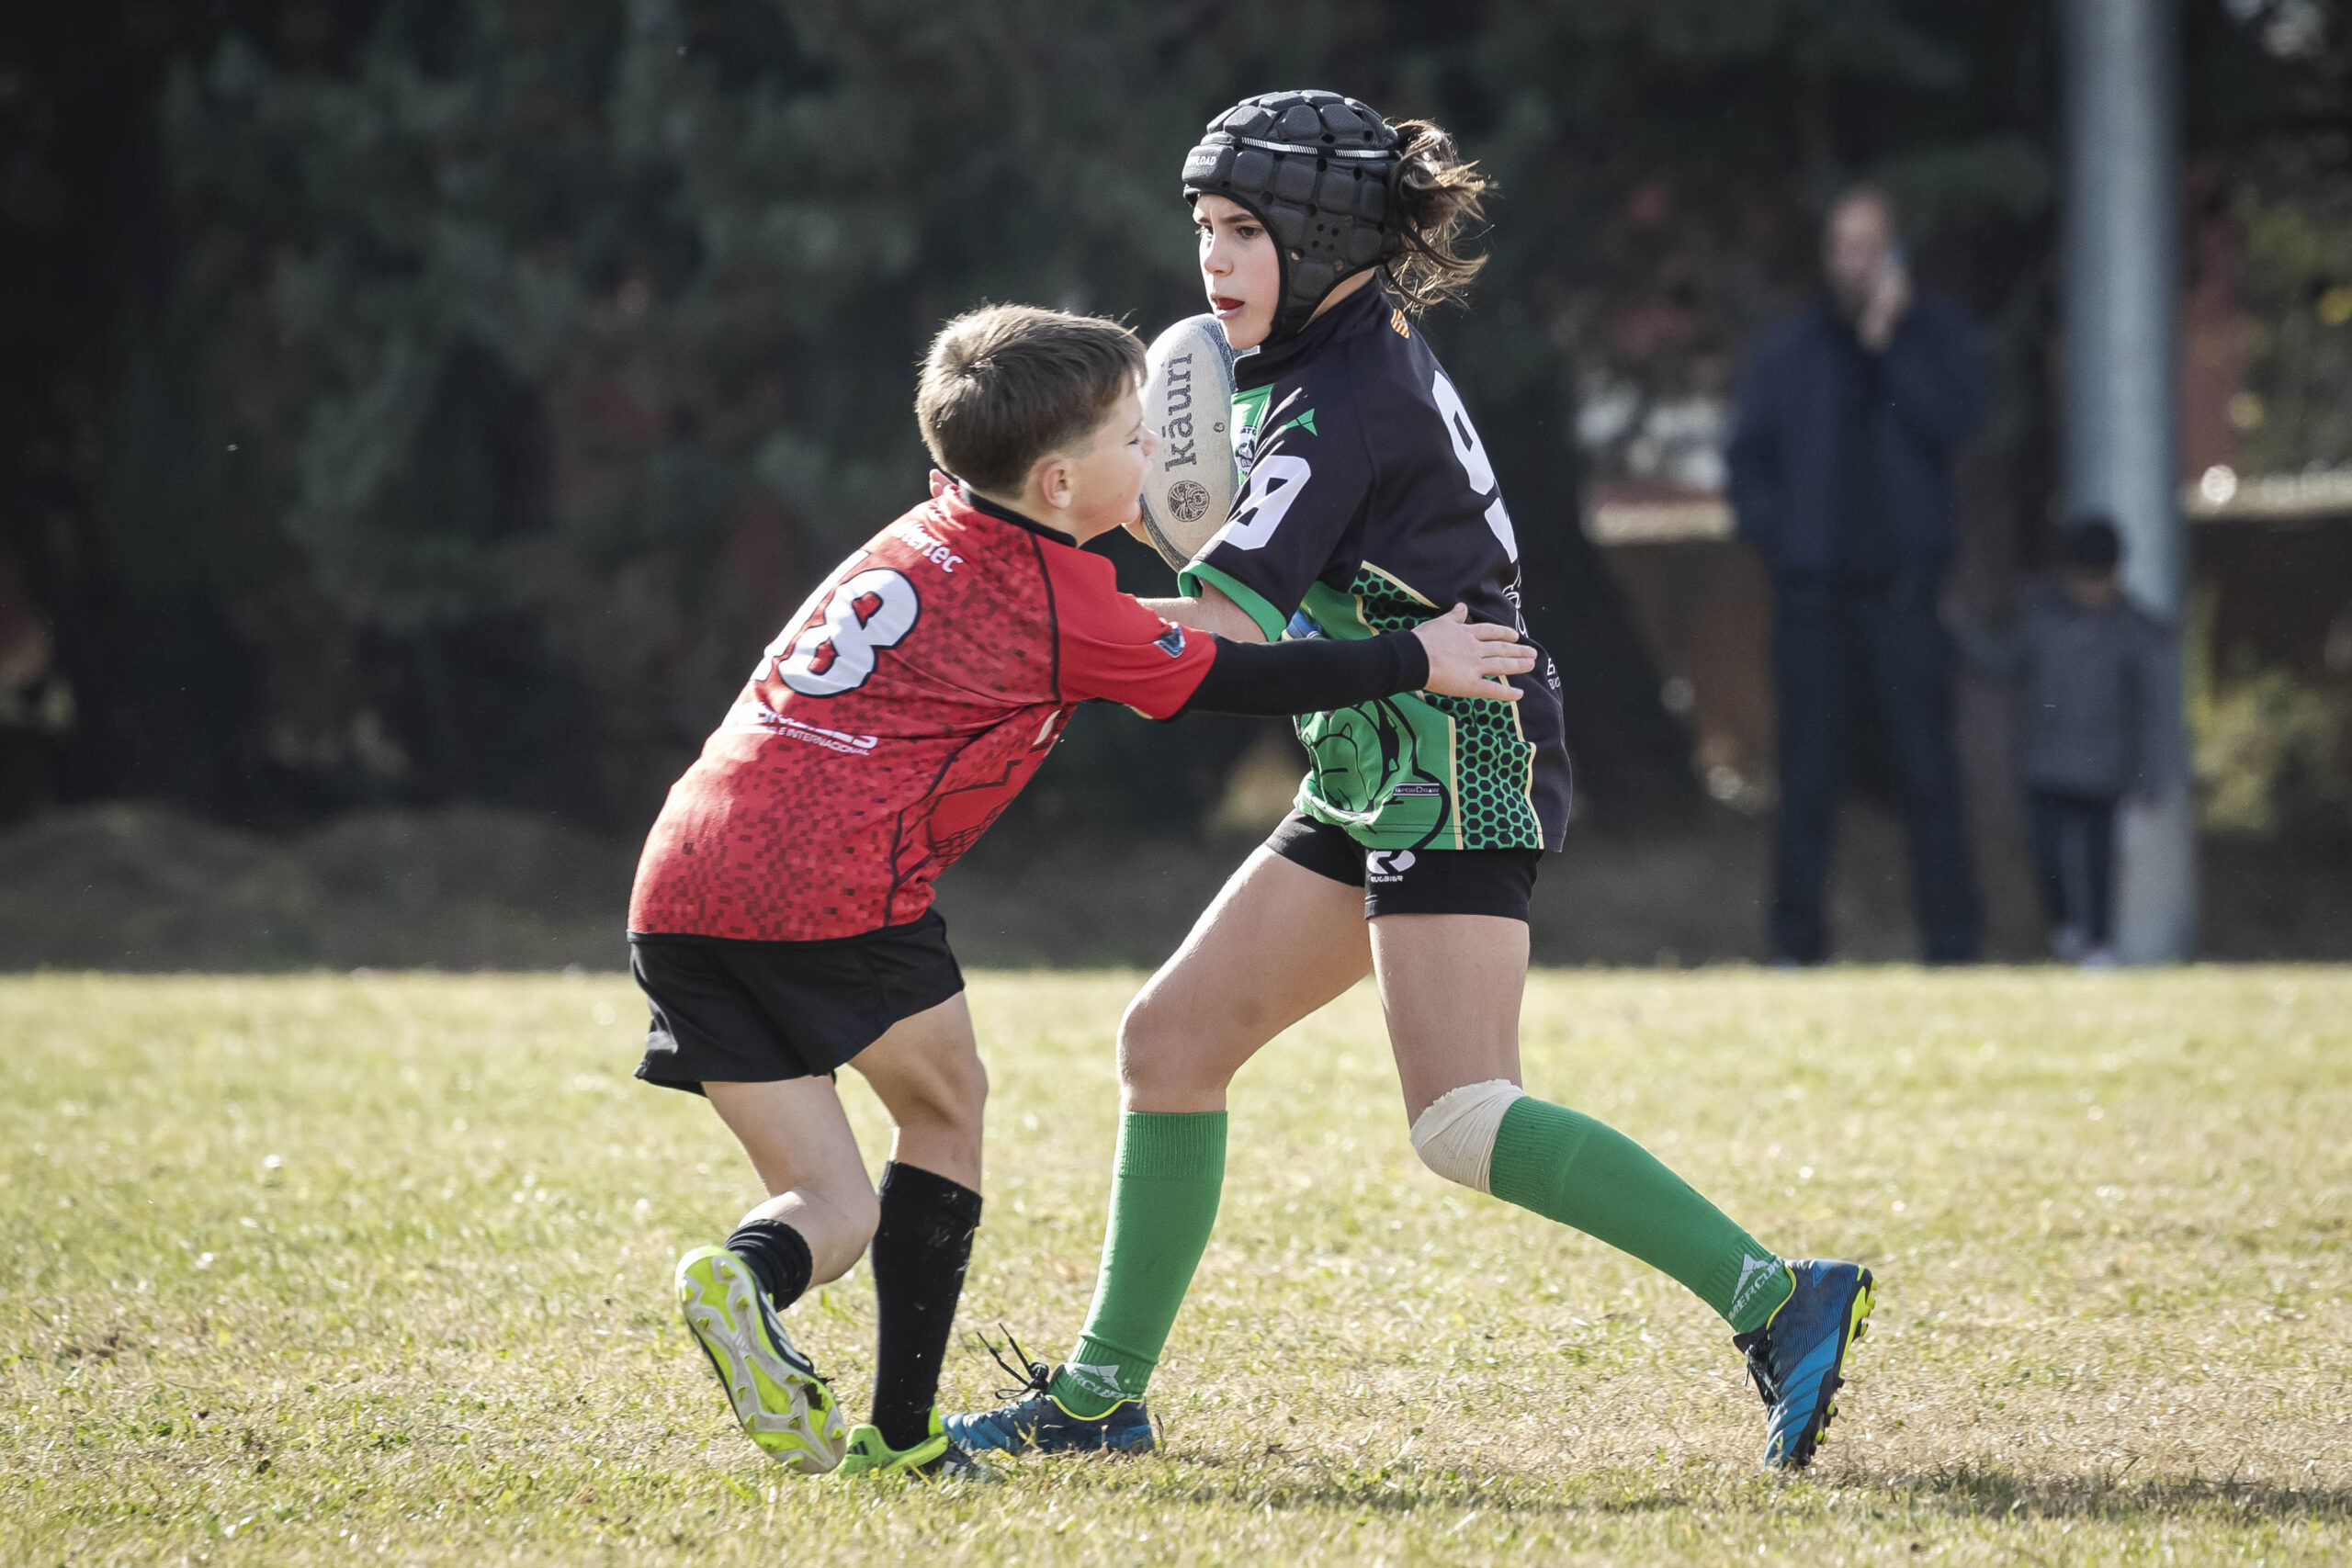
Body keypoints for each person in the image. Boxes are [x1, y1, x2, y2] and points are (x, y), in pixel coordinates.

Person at [947, 91, 1875, 1472]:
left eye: (1245, 230)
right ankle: (1101, 1397)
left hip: (1459, 745)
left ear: (1324, 241)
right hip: (1381, 738)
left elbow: (1232, 626)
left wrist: (1047, 616)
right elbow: (1230, 556)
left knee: (1458, 1116)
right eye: (1204, 225)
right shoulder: (1303, 357)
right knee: (1171, 1044)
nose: (1212, 259)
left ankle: (1775, 1294)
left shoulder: (1342, 397)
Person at [628, 302, 1539, 1482]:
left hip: (682, 882)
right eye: (1133, 438)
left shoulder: (924, 535)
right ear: (1059, 482)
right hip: (828, 882)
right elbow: (1236, 676)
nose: (1156, 456)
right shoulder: (1053, 599)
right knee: (944, 1115)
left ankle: (744, 1277)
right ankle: (904, 1436)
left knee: (827, 1202)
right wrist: (1417, 659)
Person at [1725, 185, 1985, 965]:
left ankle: (1953, 946)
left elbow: (1951, 427)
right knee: (1805, 781)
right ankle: (1796, 947)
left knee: (1930, 774)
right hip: (1815, 600)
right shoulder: (1790, 351)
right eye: (1843, 245)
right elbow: (1748, 461)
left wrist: (1886, 348)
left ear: (1897, 253)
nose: (1855, 263)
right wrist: (1781, 542)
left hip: (1904, 598)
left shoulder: (1934, 340)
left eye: (1870, 246)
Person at [1951, 516, 2183, 966]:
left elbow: (2154, 713)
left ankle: (2099, 944)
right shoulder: (2041, 615)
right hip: (2045, 762)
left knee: (2099, 863)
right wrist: (1958, 630)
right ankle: (2066, 932)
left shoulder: (2136, 631)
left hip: (2104, 767)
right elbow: (2001, 661)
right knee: (2047, 855)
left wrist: (2152, 778)